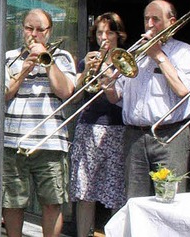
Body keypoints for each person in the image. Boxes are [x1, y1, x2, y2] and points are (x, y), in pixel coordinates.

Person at [103, 0, 190, 199]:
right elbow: (115, 97)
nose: (149, 25)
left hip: (169, 137)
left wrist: (158, 56)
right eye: (146, 19)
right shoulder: (133, 53)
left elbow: (182, 90)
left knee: (169, 200)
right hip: (134, 136)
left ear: (171, 22)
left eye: (155, 19)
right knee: (135, 201)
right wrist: (106, 83)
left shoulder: (184, 52)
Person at [3, 8, 76, 237]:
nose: (34, 34)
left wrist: (47, 61)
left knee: (52, 203)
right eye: (29, 28)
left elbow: (65, 91)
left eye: (40, 30)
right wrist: (24, 70)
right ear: (22, 29)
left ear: (49, 31)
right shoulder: (9, 57)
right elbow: (3, 95)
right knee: (12, 203)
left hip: (51, 142)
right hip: (14, 141)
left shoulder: (62, 57)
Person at [70, 12, 127, 237]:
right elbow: (75, 97)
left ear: (118, 35)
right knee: (85, 190)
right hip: (88, 127)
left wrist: (110, 72)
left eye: (109, 32)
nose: (104, 37)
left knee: (115, 191)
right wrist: (85, 72)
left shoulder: (126, 61)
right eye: (100, 32)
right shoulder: (88, 60)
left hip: (117, 128)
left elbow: (125, 98)